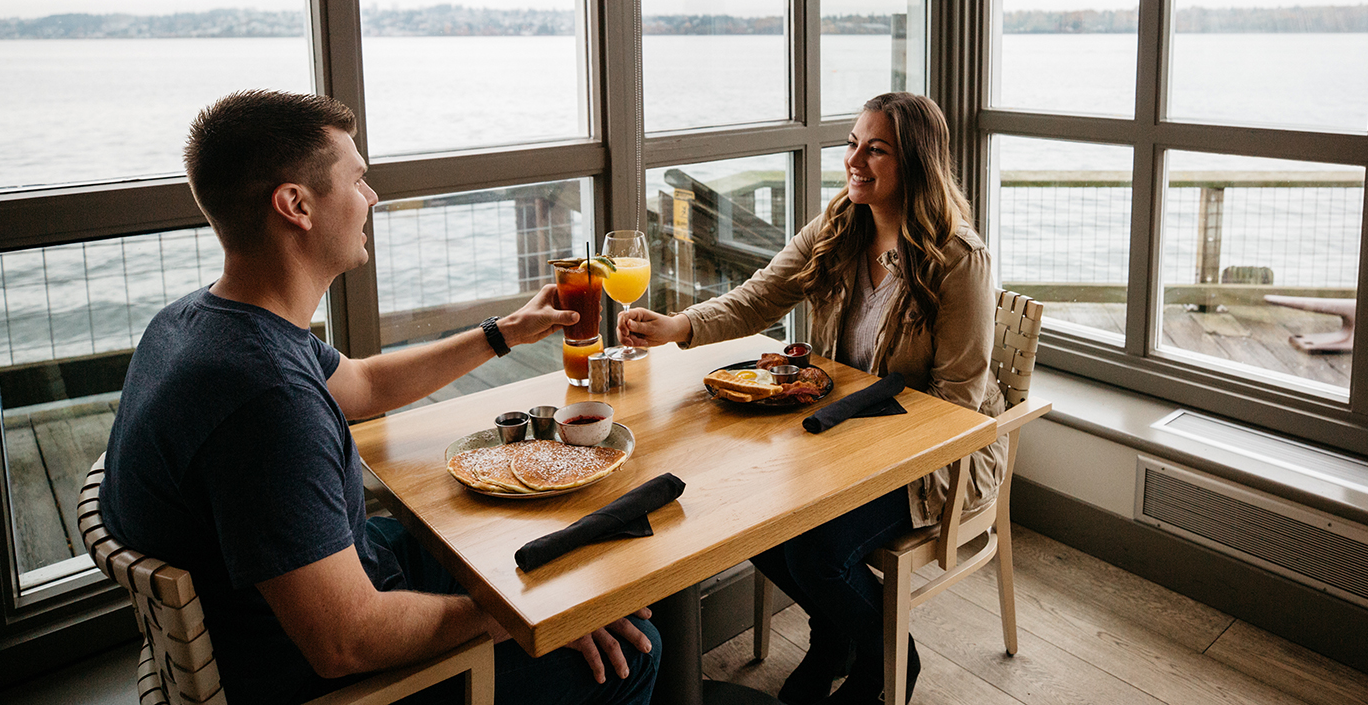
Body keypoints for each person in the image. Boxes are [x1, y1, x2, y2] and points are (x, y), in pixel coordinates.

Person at [100, 90, 659, 705]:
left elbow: (363, 385)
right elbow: (348, 641)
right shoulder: (266, 402)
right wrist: (523, 618)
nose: (371, 197)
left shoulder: (200, 324)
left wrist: (503, 333)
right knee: (634, 653)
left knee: (540, 546)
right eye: (358, 179)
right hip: (337, 677)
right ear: (296, 206)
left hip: (315, 591)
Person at [619, 92, 1005, 705]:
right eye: (853, 143)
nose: (855, 159)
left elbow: (956, 405)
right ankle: (835, 639)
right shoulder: (839, 227)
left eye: (875, 149)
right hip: (836, 440)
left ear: (916, 163)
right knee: (755, 521)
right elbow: (759, 297)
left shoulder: (959, 261)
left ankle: (890, 658)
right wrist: (678, 327)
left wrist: (854, 444)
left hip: (932, 462)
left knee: (818, 552)